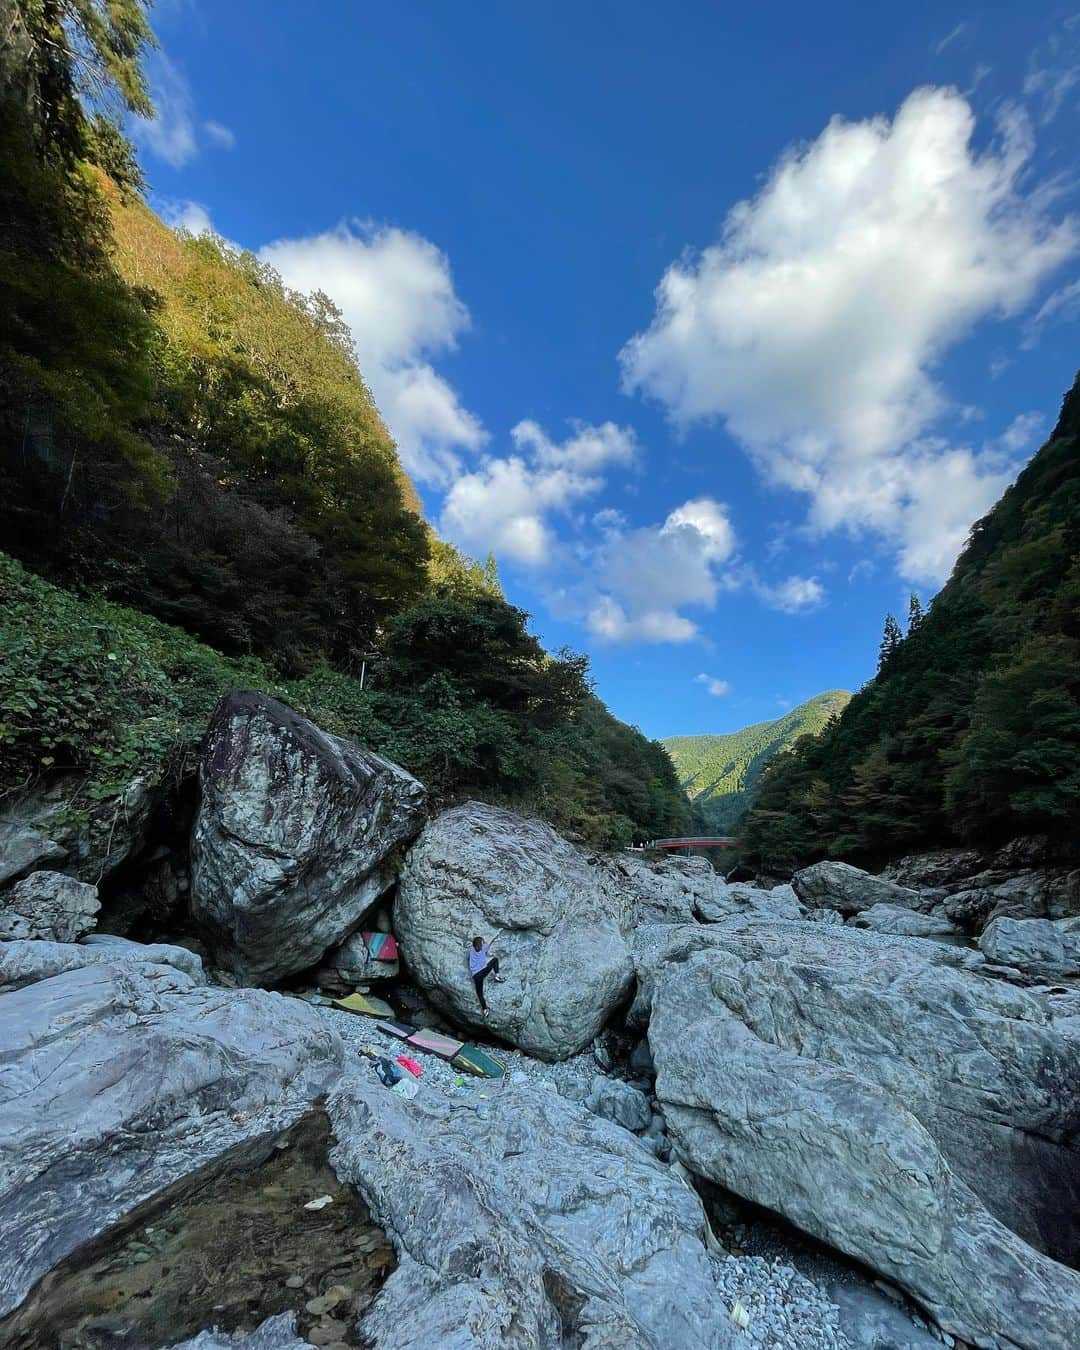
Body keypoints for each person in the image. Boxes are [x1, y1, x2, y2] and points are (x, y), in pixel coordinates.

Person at [468, 933, 504, 1015]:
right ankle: (497, 976)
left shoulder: (471, 950)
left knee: (480, 994)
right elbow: (490, 941)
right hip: (483, 971)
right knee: (495, 960)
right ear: (480, 945)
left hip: (475, 976)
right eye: (481, 944)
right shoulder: (483, 948)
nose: (481, 945)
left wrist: (480, 940)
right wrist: (497, 934)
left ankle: (485, 1010)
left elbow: (476, 941)